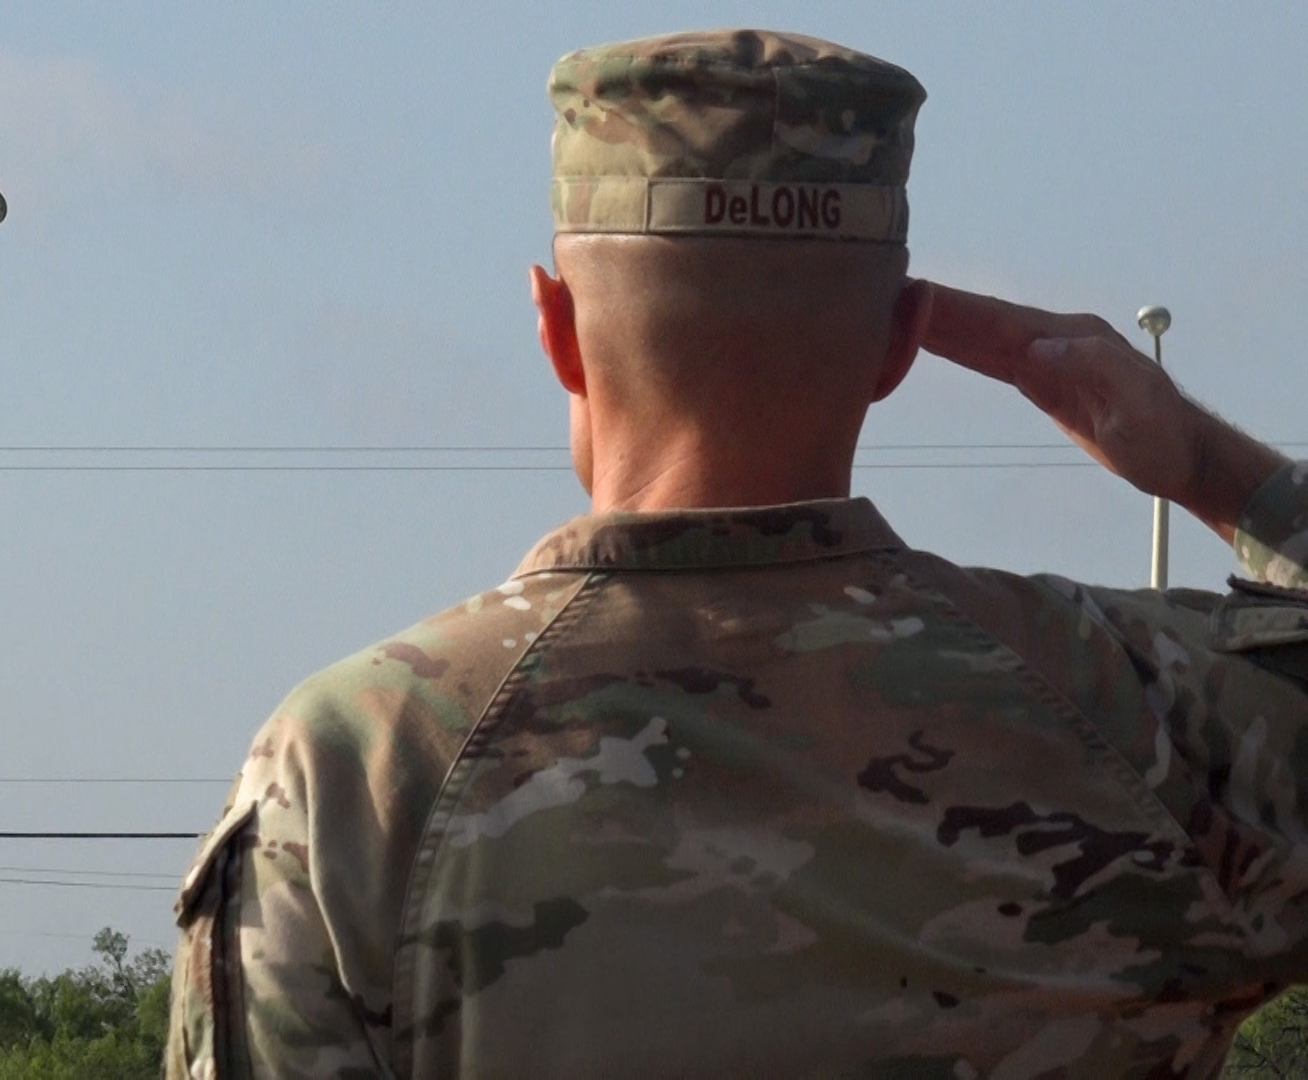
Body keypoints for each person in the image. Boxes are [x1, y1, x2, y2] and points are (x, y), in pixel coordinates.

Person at [166, 28, 1308, 1078]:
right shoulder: (1148, 716)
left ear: (557, 327)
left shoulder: (352, 777)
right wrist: (1216, 468)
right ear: (901, 347)